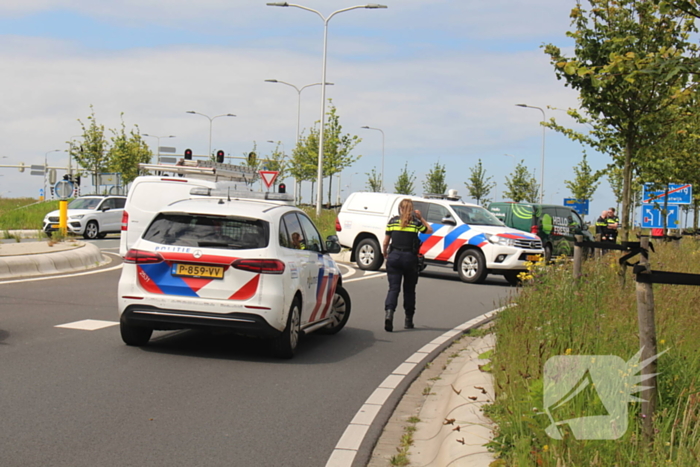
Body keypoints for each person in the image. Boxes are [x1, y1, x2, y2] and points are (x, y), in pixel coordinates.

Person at [382, 199, 433, 332]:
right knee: (409, 290)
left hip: (394, 257)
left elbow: (386, 242)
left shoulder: (392, 222)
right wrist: (421, 218)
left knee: (393, 289)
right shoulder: (415, 223)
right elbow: (429, 230)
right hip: (410, 259)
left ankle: (389, 313)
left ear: (400, 209)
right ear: (411, 209)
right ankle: (408, 320)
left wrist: (385, 253)